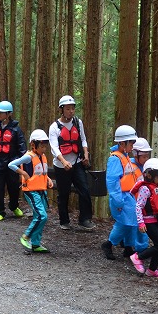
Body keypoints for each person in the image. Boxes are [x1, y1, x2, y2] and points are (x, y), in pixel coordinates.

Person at [48, 95, 94, 231]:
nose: (71, 111)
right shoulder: (54, 127)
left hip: (77, 162)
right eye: (68, 109)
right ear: (61, 110)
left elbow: (83, 140)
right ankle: (64, 220)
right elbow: (54, 147)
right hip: (62, 166)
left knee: (84, 189)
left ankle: (84, 219)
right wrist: (63, 161)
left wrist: (85, 155)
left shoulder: (77, 122)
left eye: (73, 108)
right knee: (64, 193)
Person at [10, 129, 54, 253]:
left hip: (41, 190)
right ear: (33, 144)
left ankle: (35, 243)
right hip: (31, 190)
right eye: (41, 146)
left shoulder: (42, 157)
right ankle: (26, 236)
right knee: (42, 216)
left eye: (45, 146)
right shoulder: (28, 157)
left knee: (39, 216)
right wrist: (23, 173)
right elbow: (11, 164)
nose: (44, 148)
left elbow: (40, 172)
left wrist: (48, 179)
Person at [100, 125, 141, 260]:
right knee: (124, 223)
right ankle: (109, 244)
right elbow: (112, 182)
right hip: (121, 196)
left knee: (132, 222)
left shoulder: (125, 156)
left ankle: (128, 247)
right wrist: (118, 201)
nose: (133, 146)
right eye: (131, 143)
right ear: (122, 143)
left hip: (128, 196)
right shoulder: (115, 159)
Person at [0, 101, 27, 221]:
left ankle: (13, 206)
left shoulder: (16, 130)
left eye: (1, 112)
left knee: (13, 187)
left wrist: (19, 163)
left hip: (12, 164)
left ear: (8, 114)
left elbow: (22, 147)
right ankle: (0, 212)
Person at [129, 158, 158, 279]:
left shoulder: (156, 186)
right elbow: (138, 206)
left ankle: (152, 270)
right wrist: (141, 223)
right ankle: (137, 257)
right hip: (149, 221)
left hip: (157, 220)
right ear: (150, 175)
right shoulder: (145, 188)